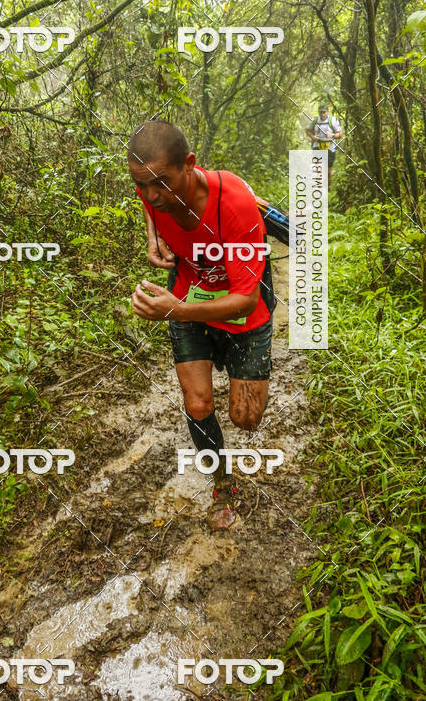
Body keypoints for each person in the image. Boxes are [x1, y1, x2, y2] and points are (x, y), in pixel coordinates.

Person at [128, 120, 276, 531]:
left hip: (243, 310)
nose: (152, 195)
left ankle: (242, 369)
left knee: (245, 417)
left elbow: (245, 299)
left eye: (161, 183)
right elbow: (151, 199)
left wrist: (173, 310)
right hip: (189, 296)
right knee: (198, 405)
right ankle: (222, 483)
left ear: (189, 165)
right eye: (143, 185)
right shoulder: (152, 188)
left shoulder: (235, 204)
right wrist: (152, 234)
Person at [305, 102, 343, 186]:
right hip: (317, 146)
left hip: (330, 147)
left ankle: (328, 187)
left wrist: (332, 135)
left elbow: (340, 134)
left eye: (324, 112)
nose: (322, 114)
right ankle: (319, 189)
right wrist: (313, 137)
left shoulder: (332, 120)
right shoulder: (314, 120)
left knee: (328, 172)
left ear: (327, 112)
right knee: (319, 169)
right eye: (321, 112)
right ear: (318, 112)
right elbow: (307, 130)